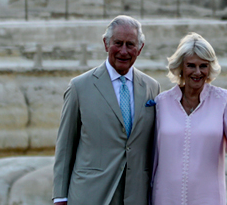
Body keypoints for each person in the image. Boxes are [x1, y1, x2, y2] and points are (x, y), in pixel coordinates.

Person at [53, 15, 161, 205]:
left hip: (137, 195)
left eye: (130, 44)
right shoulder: (80, 87)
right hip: (90, 194)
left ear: (140, 48)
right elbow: (65, 146)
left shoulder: (152, 88)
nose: (124, 51)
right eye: (118, 43)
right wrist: (60, 196)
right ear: (106, 44)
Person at [150, 32, 227, 205]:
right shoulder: (161, 102)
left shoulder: (223, 100)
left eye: (203, 66)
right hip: (165, 197)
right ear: (181, 67)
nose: (197, 72)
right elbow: (152, 156)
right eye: (191, 65)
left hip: (208, 198)